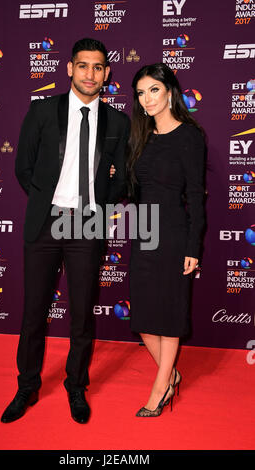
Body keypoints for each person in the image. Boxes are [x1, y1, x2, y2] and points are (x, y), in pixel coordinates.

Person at [0, 38, 130, 424]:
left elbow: (121, 177)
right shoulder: (42, 111)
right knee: (33, 311)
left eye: (98, 67)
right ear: (70, 68)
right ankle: (26, 387)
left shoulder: (119, 122)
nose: (90, 74)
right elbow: (23, 168)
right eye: (83, 65)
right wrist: (48, 203)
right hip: (46, 222)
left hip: (88, 223)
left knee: (81, 316)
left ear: (106, 74)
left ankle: (76, 387)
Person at [127, 63, 206, 417]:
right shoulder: (140, 136)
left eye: (153, 90)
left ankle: (160, 387)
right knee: (143, 317)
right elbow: (134, 191)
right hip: (144, 230)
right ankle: (171, 374)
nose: (147, 99)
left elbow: (196, 196)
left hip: (174, 231)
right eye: (141, 92)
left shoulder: (190, 136)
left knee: (170, 311)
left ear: (170, 91)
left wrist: (193, 247)